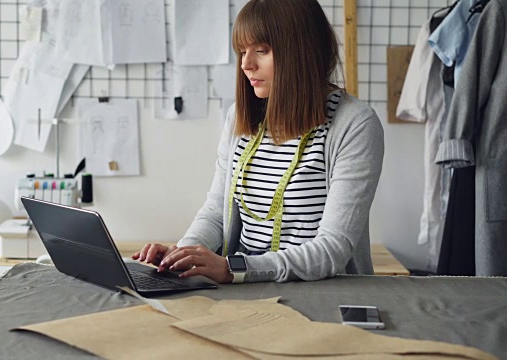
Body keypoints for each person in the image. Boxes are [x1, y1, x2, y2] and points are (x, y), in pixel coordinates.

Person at [133, 0, 384, 283]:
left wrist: (235, 269)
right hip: (246, 285)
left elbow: (332, 249)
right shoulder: (240, 117)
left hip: (323, 292)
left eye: (261, 51)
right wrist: (181, 254)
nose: (246, 64)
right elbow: (217, 211)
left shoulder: (354, 124)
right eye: (242, 51)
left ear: (301, 51)